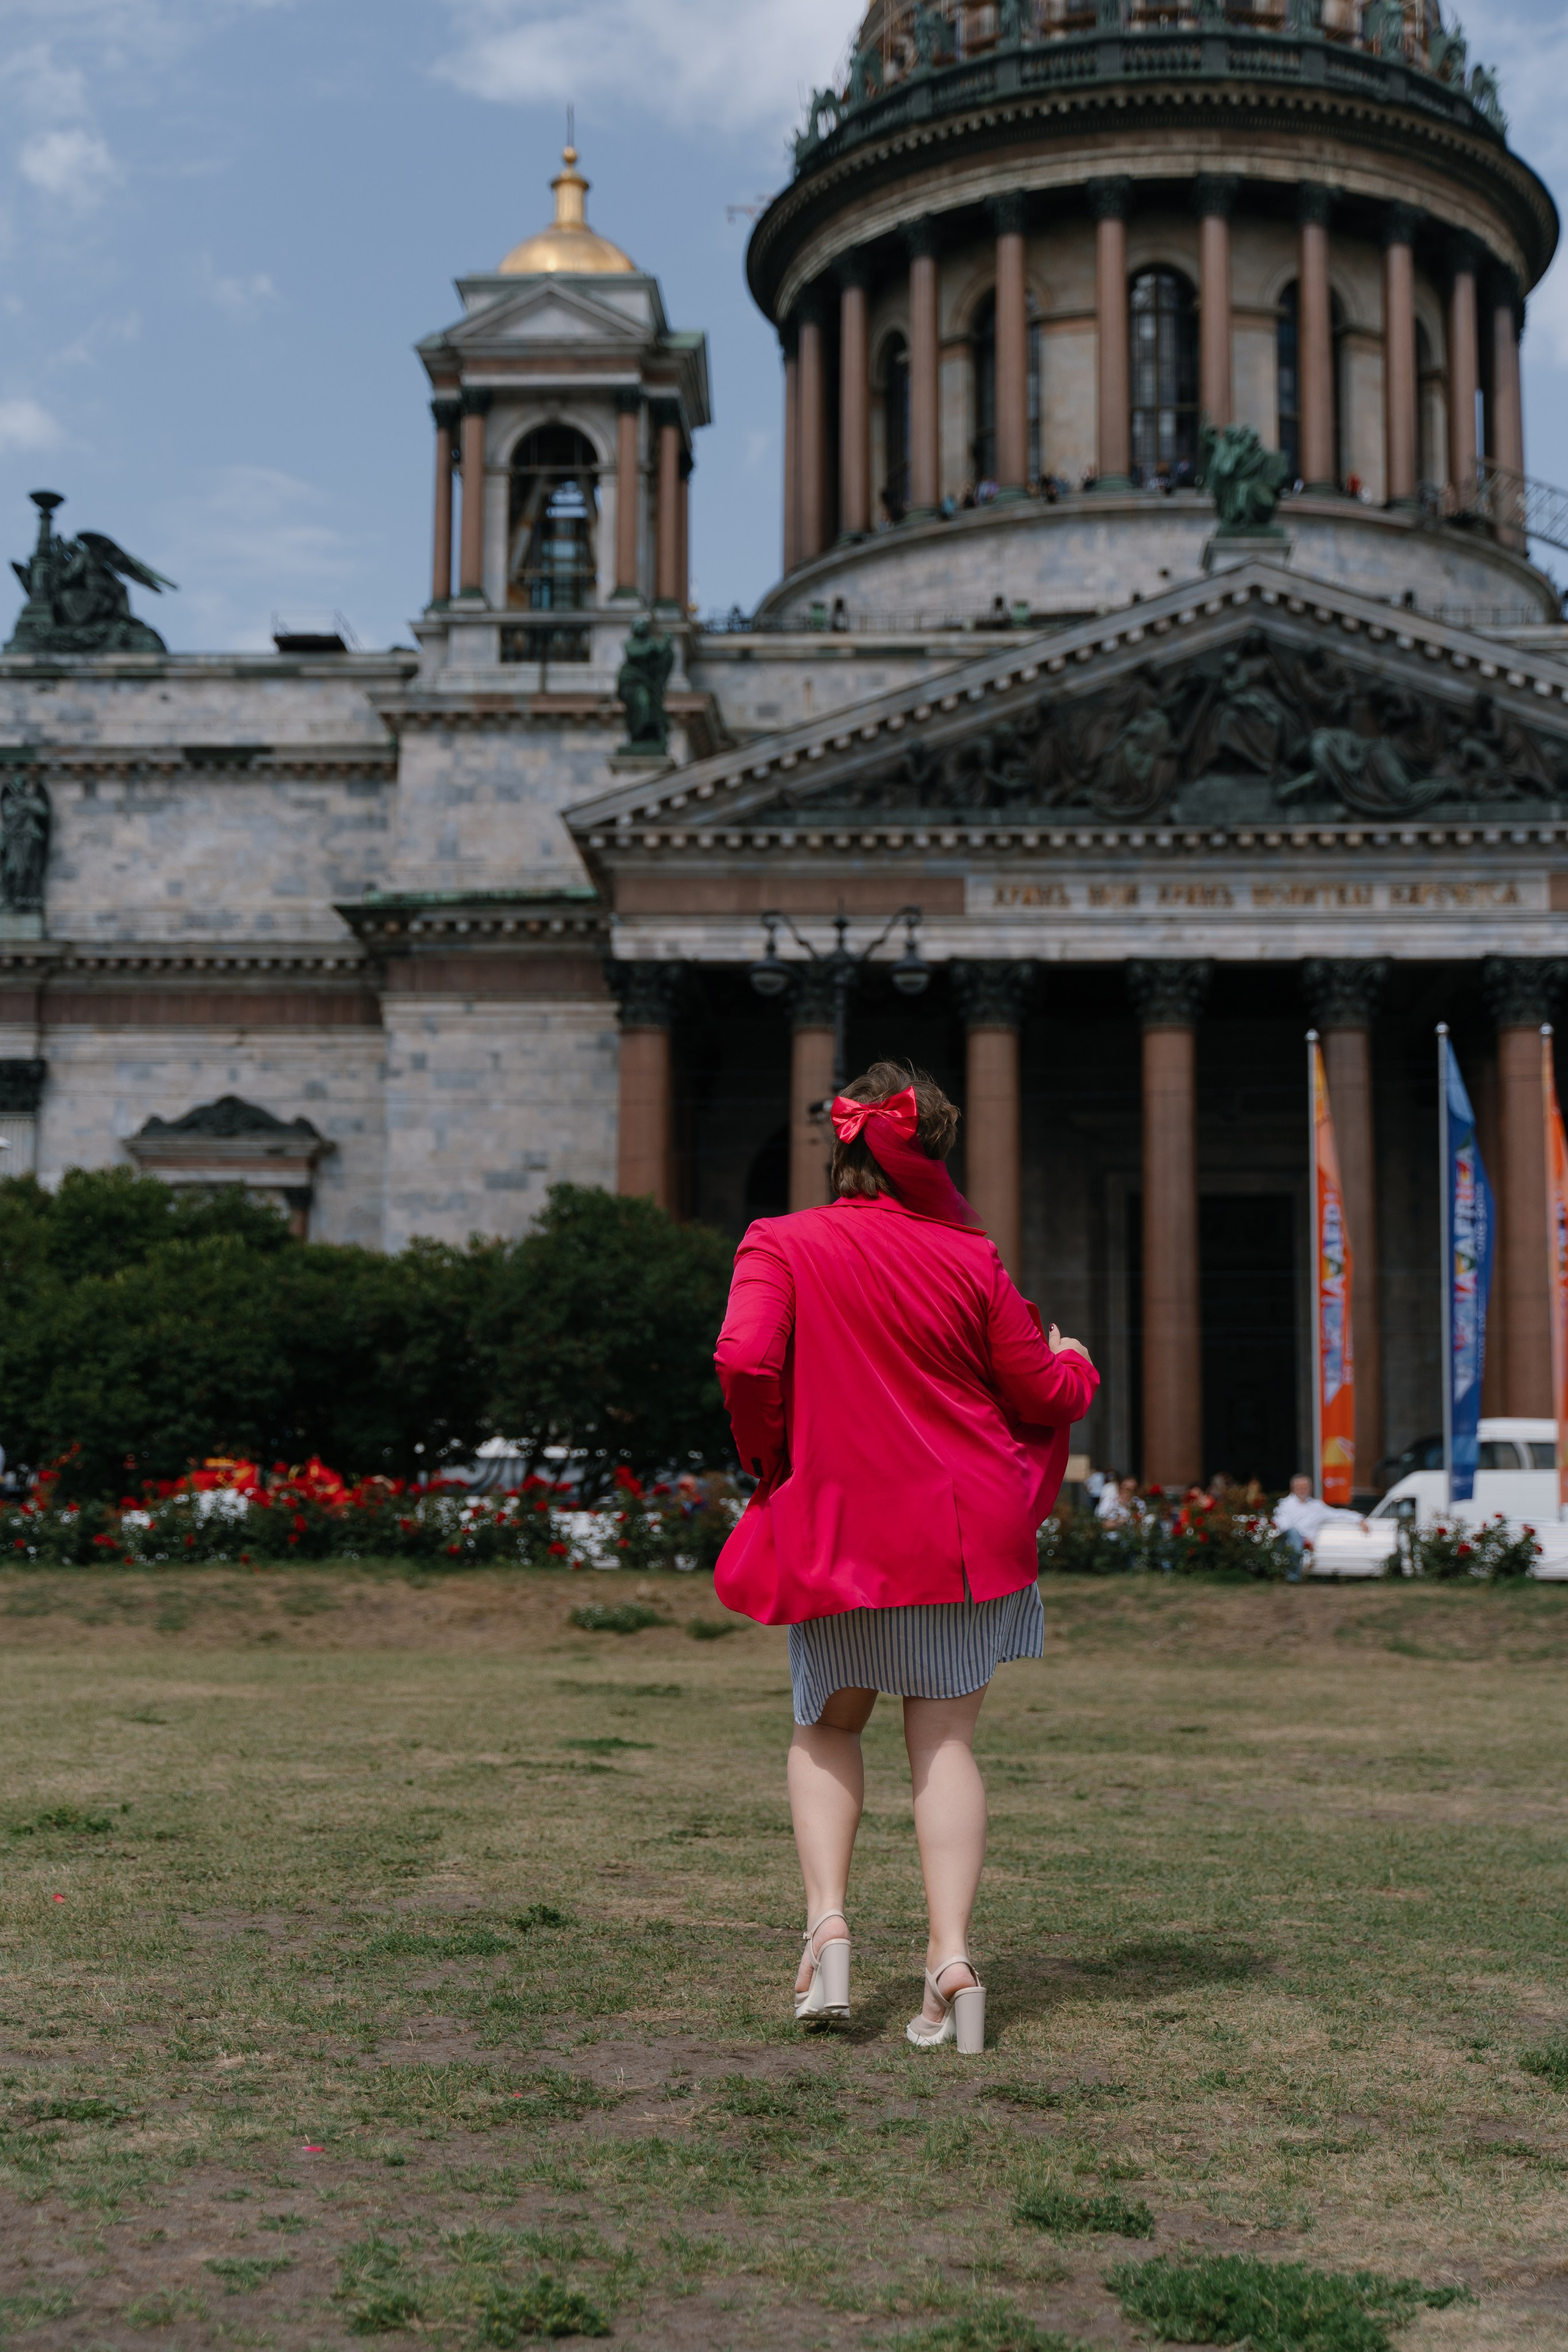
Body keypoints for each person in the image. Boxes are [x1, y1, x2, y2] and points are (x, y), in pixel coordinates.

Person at [714, 1063, 1098, 2055]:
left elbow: (745, 1359)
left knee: (826, 1725)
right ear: (934, 1152)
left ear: (839, 1148)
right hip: (962, 1533)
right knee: (946, 1746)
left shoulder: (780, 1242)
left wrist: (769, 1456)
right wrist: (1077, 1361)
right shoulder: (971, 1257)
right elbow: (1043, 1392)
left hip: (839, 1523)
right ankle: (951, 1960)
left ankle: (829, 1931)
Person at [1273, 1473, 1360, 1575]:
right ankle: (1293, 1575)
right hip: (1286, 1543)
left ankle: (1294, 1576)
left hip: (1307, 1547)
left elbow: (1338, 1514)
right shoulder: (1283, 1504)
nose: (1302, 1489)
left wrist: (1359, 1519)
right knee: (1293, 1532)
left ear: (1310, 1487)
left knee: (1298, 1542)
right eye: (1298, 1486)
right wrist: (1302, 1537)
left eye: (1305, 1486)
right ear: (1292, 1488)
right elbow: (1281, 1524)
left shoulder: (1317, 1506)